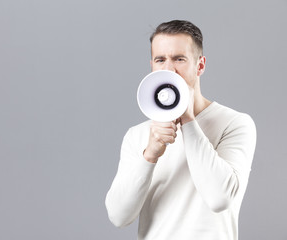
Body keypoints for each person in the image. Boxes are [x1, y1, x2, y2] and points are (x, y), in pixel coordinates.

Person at [105, 20, 256, 240]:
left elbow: (219, 199)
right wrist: (150, 155)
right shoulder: (138, 136)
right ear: (152, 66)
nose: (169, 69)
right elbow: (119, 216)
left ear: (200, 65)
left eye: (179, 59)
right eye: (160, 60)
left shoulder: (235, 124)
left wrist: (188, 119)